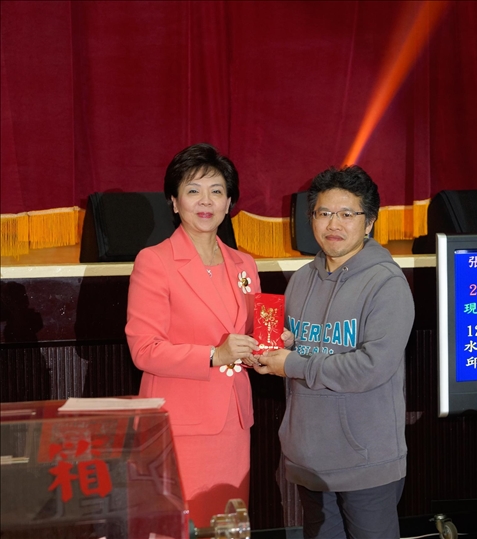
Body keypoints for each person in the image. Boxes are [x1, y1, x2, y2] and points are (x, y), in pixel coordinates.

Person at [257, 165, 415, 539]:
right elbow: (302, 350)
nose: (334, 224)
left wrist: (293, 363)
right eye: (324, 213)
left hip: (366, 461)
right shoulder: (301, 280)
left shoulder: (387, 284)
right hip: (309, 458)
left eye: (347, 214)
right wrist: (280, 347)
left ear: (369, 222)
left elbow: (370, 367)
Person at [126, 143, 261, 526]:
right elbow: (144, 349)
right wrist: (214, 355)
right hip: (178, 426)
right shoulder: (155, 261)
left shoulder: (244, 263)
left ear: (229, 202)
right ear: (174, 201)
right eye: (193, 190)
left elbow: (246, 334)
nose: (206, 201)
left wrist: (268, 344)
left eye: (216, 191)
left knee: (227, 524)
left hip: (233, 423)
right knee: (180, 525)